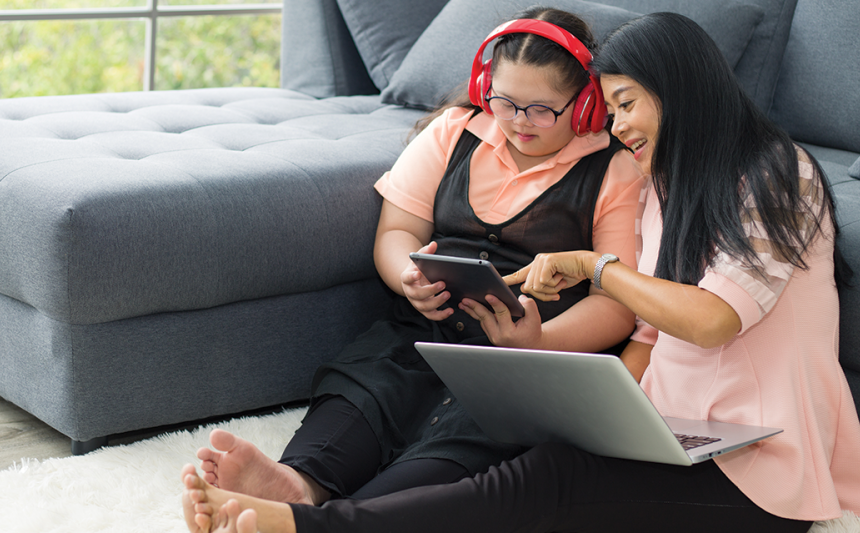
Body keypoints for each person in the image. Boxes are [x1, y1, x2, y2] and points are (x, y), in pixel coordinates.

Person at [181, 12, 860, 533]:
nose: (615, 127)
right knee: (526, 439)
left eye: (626, 105)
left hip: (760, 463)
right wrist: (605, 404)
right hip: (677, 428)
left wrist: (596, 267)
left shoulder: (779, 173)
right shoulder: (667, 185)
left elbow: (710, 317)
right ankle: (313, 501)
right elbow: (651, 339)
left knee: (550, 479)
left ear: (681, 91)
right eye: (609, 108)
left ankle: (314, 525)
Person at [191, 6, 646, 510]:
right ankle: (297, 484)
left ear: (583, 104)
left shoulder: (614, 169)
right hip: (422, 335)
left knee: (469, 439)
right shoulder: (455, 131)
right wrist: (406, 274)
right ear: (483, 86)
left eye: (541, 109)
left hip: (522, 365)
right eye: (505, 101)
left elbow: (617, 304)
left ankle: (337, 519)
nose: (519, 122)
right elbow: (398, 230)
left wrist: (539, 340)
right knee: (369, 392)